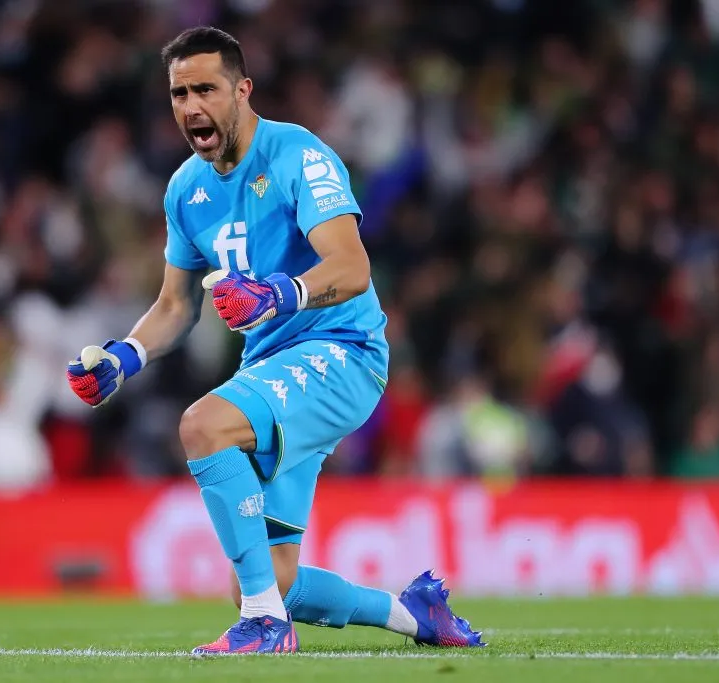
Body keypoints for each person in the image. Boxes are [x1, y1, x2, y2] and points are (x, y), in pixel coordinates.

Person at [67, 26, 483, 656]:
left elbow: (352, 267)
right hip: (273, 367)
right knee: (265, 579)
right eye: (179, 94)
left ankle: (266, 627)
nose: (191, 106)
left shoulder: (299, 155)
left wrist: (279, 295)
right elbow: (176, 305)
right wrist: (123, 359)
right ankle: (413, 615)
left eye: (206, 89)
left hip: (342, 350)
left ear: (242, 90)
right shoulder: (185, 190)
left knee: (204, 426)